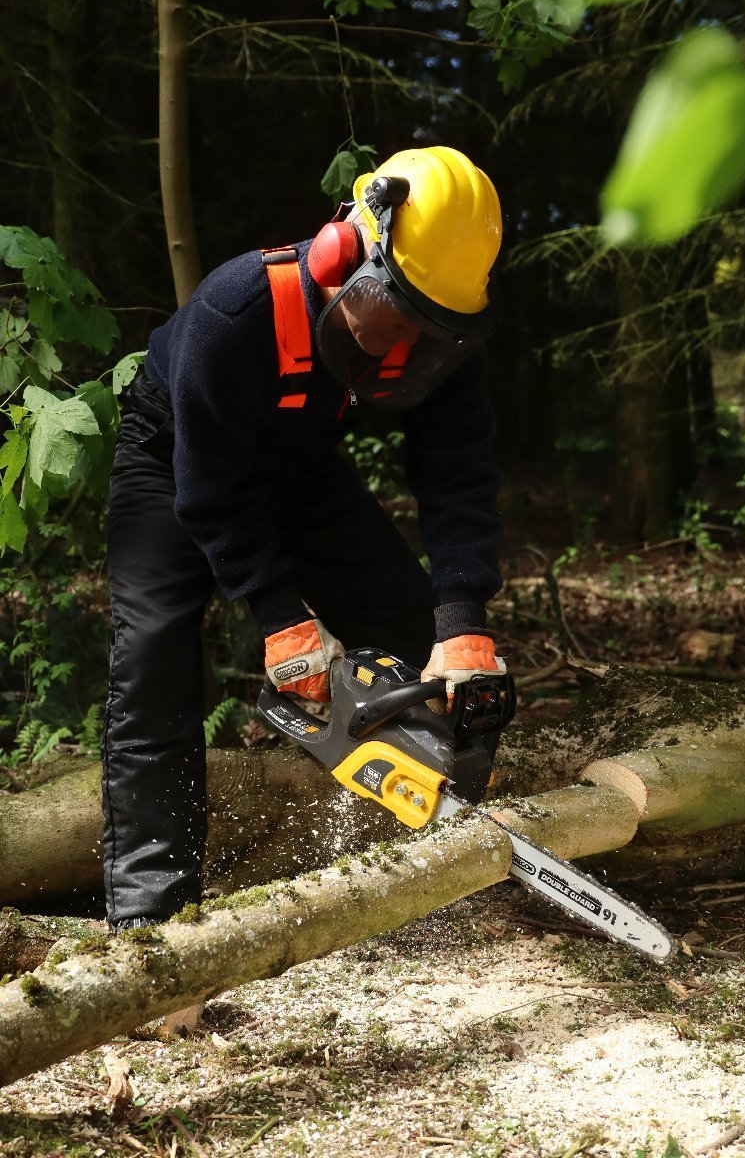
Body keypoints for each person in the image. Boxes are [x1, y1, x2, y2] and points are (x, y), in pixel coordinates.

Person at [102, 145, 507, 932]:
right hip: (173, 456)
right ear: (341, 253)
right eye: (395, 312)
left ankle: (431, 854)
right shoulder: (235, 310)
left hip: (299, 465)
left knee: (412, 625)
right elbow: (211, 489)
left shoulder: (441, 335)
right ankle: (151, 918)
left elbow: (458, 472)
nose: (405, 340)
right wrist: (280, 617)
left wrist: (462, 619)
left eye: (429, 327)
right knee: (153, 657)